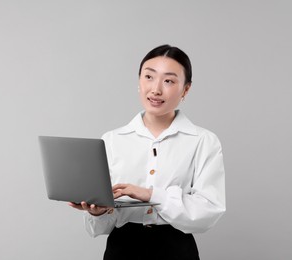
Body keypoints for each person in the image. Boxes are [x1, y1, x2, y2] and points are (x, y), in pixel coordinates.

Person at [69, 44, 226, 260]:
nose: (156, 89)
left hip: (176, 250)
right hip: (121, 249)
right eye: (149, 77)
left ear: (186, 89)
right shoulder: (112, 140)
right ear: (139, 81)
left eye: (169, 81)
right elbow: (101, 226)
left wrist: (152, 195)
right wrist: (98, 212)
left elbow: (208, 211)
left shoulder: (203, 141)